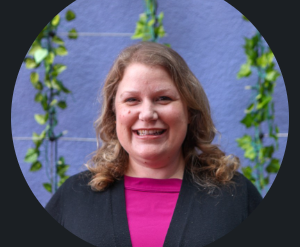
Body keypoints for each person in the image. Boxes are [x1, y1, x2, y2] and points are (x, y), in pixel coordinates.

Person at [45, 42, 262, 247]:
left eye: (163, 98)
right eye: (132, 100)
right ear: (114, 113)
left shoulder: (236, 197)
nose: (147, 114)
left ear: (189, 111)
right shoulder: (73, 199)